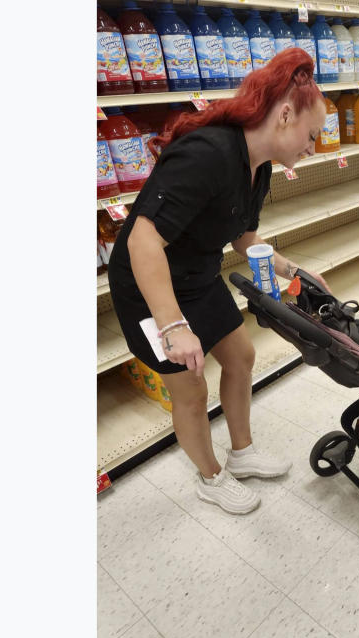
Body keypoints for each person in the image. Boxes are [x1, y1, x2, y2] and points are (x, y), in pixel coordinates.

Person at [107, 49, 331, 515]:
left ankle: (242, 452)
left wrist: (295, 271)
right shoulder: (208, 153)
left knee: (241, 356)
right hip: (150, 286)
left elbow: (242, 236)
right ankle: (210, 476)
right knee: (191, 389)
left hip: (197, 274)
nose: (314, 147)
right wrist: (173, 327)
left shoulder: (258, 163)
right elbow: (143, 241)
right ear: (285, 114)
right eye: (312, 135)